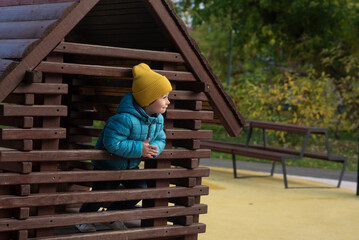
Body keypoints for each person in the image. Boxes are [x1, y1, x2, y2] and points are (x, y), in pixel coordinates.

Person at [76, 63, 172, 233]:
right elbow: (112, 143)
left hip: (130, 166)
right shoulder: (123, 119)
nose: (168, 101)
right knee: (100, 194)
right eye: (164, 97)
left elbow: (161, 138)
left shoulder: (158, 120)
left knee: (141, 189)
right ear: (148, 99)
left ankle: (112, 216)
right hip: (107, 166)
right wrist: (139, 149)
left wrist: (153, 148)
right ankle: (83, 218)